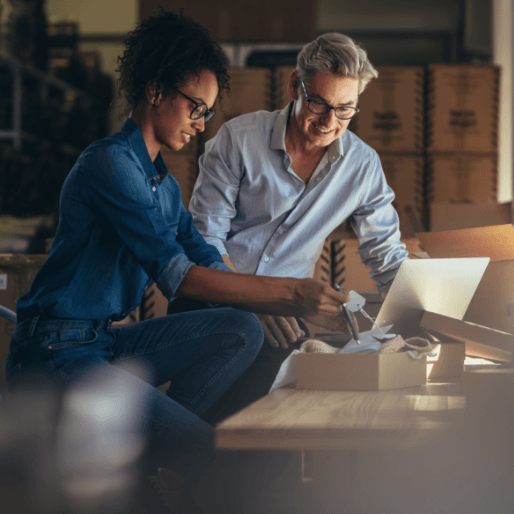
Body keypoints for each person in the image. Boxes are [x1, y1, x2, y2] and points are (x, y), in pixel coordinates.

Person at [4, 11, 353, 514]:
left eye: (207, 113)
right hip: (55, 351)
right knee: (212, 454)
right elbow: (179, 278)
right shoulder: (109, 166)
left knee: (241, 329)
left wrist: (272, 311)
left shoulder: (162, 185)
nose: (200, 123)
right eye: (195, 107)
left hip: (101, 343)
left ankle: (137, 456)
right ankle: (153, 456)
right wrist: (291, 293)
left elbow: (204, 254)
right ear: (154, 91)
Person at [188, 32, 409, 424]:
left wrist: (419, 311)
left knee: (283, 421)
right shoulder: (238, 141)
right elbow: (204, 240)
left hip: (285, 318)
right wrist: (253, 300)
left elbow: (387, 256)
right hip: (212, 302)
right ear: (295, 86)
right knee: (224, 424)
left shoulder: (361, 166)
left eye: (345, 110)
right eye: (320, 103)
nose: (330, 122)